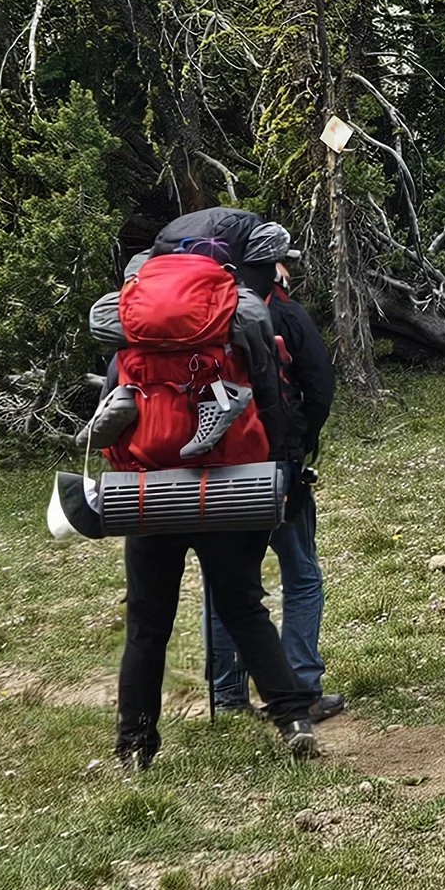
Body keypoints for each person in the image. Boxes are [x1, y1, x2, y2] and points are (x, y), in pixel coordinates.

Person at [103, 205, 317, 768]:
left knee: (148, 621)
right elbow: (273, 400)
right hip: (230, 484)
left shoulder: (131, 316)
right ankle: (293, 717)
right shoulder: (241, 312)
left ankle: (135, 744)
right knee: (243, 605)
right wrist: (287, 468)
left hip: (151, 485)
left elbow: (113, 393)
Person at [205, 222, 342, 722]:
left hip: (220, 466)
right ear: (276, 265)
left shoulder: (209, 317)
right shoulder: (287, 313)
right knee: (301, 574)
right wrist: (303, 439)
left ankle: (226, 693)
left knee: (231, 583)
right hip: (280, 466)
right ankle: (302, 685)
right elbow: (320, 386)